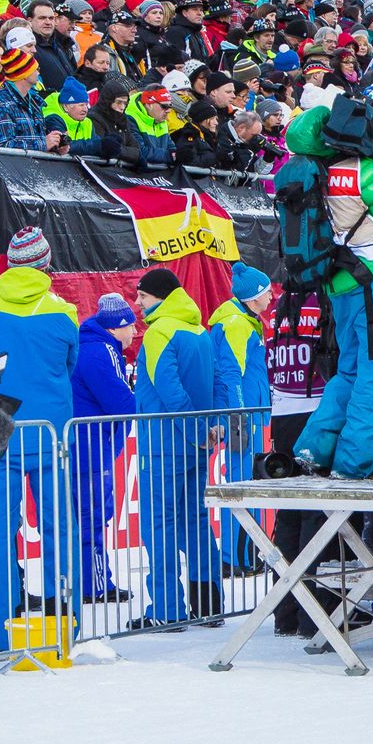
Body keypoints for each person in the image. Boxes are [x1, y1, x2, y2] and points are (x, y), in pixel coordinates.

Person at [0, 227, 85, 646]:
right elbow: (69, 366)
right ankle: (63, 626)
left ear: (10, 264)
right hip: (52, 435)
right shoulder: (64, 312)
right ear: (45, 264)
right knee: (59, 531)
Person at [287, 95, 373, 480]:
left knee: (350, 372)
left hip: (338, 284)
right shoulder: (363, 170)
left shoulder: (309, 174)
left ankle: (313, 450)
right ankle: (353, 465)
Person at [130, 267, 222, 628]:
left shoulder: (159, 332)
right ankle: (209, 604)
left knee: (160, 526)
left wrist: (196, 428)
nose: (137, 303)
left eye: (144, 297)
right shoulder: (199, 330)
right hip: (195, 443)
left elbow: (169, 390)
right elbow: (213, 381)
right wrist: (207, 427)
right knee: (197, 522)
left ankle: (167, 611)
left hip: (164, 440)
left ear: (162, 298)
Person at [67, 293, 136, 604]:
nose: (135, 332)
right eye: (131, 325)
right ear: (115, 328)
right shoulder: (101, 352)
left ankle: (84, 581)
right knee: (92, 516)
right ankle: (95, 585)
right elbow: (121, 403)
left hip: (83, 444)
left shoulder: (90, 345)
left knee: (80, 517)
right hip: (91, 447)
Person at [208, 264, 275, 567]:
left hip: (250, 414)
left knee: (248, 484)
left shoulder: (244, 320)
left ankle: (244, 555)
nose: (272, 296)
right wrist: (239, 417)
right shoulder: (236, 323)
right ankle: (237, 558)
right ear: (251, 299)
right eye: (266, 292)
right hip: (244, 417)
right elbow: (231, 373)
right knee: (242, 486)